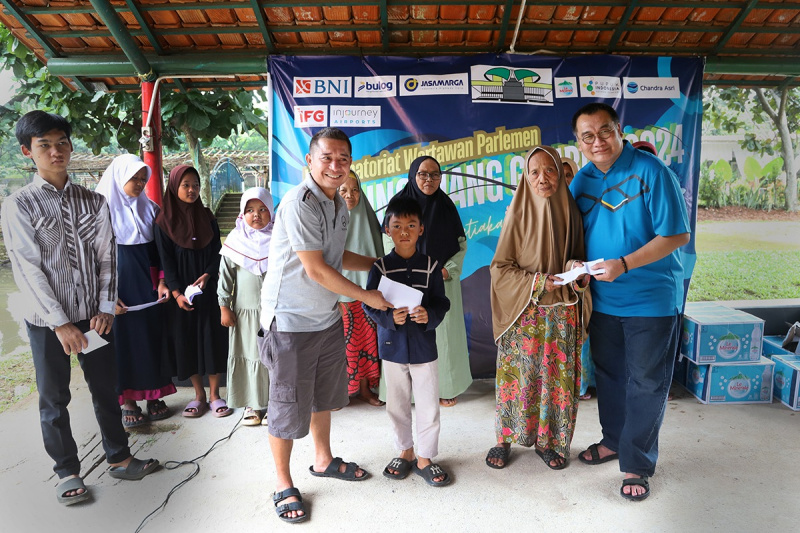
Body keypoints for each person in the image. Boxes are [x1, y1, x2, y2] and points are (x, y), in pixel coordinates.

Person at [1, 111, 158, 506]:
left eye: (61, 143)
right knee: (54, 398)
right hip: (46, 322)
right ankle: (67, 471)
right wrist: (59, 324)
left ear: (70, 146)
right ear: (28, 152)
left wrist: (105, 307)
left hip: (94, 317)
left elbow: (108, 258)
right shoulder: (19, 205)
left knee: (106, 388)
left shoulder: (94, 201)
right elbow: (28, 269)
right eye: (45, 145)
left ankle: (119, 458)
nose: (56, 151)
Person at [260, 127, 391, 524]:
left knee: (322, 395)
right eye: (327, 158)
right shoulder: (300, 203)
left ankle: (323, 459)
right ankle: (283, 483)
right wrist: (369, 295)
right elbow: (316, 269)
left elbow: (334, 256)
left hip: (325, 318)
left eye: (343, 160)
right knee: (285, 404)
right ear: (310, 162)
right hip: (291, 322)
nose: (335, 166)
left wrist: (380, 265)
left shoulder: (340, 204)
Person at [569, 103, 690, 501]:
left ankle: (636, 463)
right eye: (588, 136)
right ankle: (613, 440)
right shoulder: (581, 182)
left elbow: (676, 236)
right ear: (579, 143)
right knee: (611, 378)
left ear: (619, 130)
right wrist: (574, 263)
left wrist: (624, 263)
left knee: (646, 383)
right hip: (603, 302)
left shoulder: (653, 172)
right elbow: (573, 236)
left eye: (605, 131)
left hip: (651, 302)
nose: (597, 141)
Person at [485, 145, 590, 471]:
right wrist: (538, 282)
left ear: (560, 173)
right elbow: (500, 268)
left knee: (554, 383)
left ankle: (549, 441)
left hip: (562, 313)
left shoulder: (571, 212)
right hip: (524, 313)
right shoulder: (516, 215)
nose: (543, 177)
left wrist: (577, 270)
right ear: (526, 178)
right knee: (517, 379)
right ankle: (504, 438)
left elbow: (576, 259)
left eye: (550, 170)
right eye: (535, 172)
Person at [363, 196, 452, 487]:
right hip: (392, 348)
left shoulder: (431, 266)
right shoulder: (380, 268)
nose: (404, 231)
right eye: (397, 225)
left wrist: (430, 314)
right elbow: (369, 305)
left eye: (411, 225)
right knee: (397, 404)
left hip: (425, 347)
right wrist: (390, 319)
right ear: (387, 230)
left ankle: (425, 458)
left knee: (428, 404)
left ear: (421, 229)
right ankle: (405, 450)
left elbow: (442, 301)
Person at [96, 154, 175, 428]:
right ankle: (128, 401)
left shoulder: (150, 209)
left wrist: (163, 280)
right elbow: (91, 258)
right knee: (122, 344)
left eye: (144, 179)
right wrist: (105, 296)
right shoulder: (99, 211)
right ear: (119, 178)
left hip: (147, 285)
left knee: (151, 339)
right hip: (116, 289)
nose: (140, 183)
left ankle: (154, 396)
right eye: (134, 178)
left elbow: (159, 252)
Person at [387, 156, 472, 407]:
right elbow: (387, 239)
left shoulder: (446, 207)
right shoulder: (399, 204)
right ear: (413, 175)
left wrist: (446, 271)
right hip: (407, 283)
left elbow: (461, 246)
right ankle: (408, 393)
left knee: (443, 336)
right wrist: (405, 270)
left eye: (435, 174)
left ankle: (446, 387)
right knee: (408, 333)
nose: (429, 180)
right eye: (423, 174)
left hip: (441, 282)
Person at [154, 165, 230, 419]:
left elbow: (217, 252)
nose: (191, 190)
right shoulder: (164, 222)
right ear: (175, 187)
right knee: (187, 342)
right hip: (181, 295)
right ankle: (198, 396)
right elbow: (166, 262)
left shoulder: (207, 216)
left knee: (212, 339)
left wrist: (208, 276)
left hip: (207, 290)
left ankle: (215, 394)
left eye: (195, 185)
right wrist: (177, 295)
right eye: (186, 185)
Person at [218, 187, 274, 426]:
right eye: (250, 210)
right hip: (245, 313)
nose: (256, 215)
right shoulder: (235, 241)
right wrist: (224, 306)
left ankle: (274, 403)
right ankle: (253, 404)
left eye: (262, 209)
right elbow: (225, 278)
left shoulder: (281, 239)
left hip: (275, 313)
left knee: (274, 357)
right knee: (251, 355)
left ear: (272, 211)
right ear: (242, 213)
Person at [338, 170, 384, 407]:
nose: (350, 195)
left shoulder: (368, 219)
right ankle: (340, 393)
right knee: (341, 347)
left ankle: (365, 389)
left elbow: (379, 257)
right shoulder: (330, 220)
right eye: (343, 190)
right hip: (338, 295)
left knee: (366, 342)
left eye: (355, 190)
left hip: (367, 294)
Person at [561, 158, 595, 400]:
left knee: (583, 327)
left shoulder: (584, 203)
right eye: (558, 174)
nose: (563, 180)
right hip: (555, 283)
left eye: (568, 175)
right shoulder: (540, 207)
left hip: (584, 277)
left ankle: (583, 385)